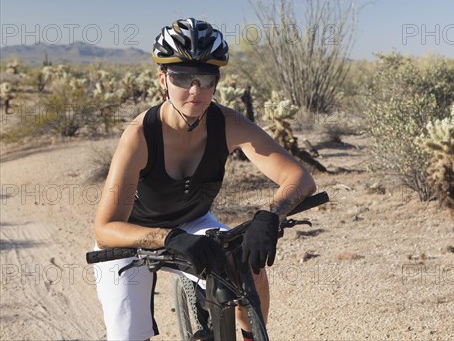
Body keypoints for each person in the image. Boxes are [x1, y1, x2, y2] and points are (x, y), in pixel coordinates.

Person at [93, 18, 316, 341]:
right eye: (182, 77)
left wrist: (270, 213)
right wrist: (168, 237)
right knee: (127, 336)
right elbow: (105, 228)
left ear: (216, 82)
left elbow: (299, 177)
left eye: (205, 78)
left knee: (249, 270)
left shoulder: (228, 123)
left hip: (194, 221)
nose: (194, 89)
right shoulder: (140, 136)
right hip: (132, 237)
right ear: (163, 80)